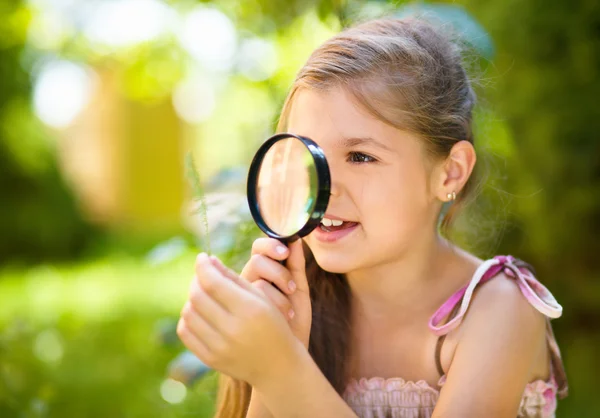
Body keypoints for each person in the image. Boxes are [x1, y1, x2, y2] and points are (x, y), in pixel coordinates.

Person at [176, 16, 568, 418]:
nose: (325, 187)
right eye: (310, 156)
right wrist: (277, 346)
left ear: (449, 172)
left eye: (361, 156)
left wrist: (278, 369)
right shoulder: (301, 299)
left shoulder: (500, 309)